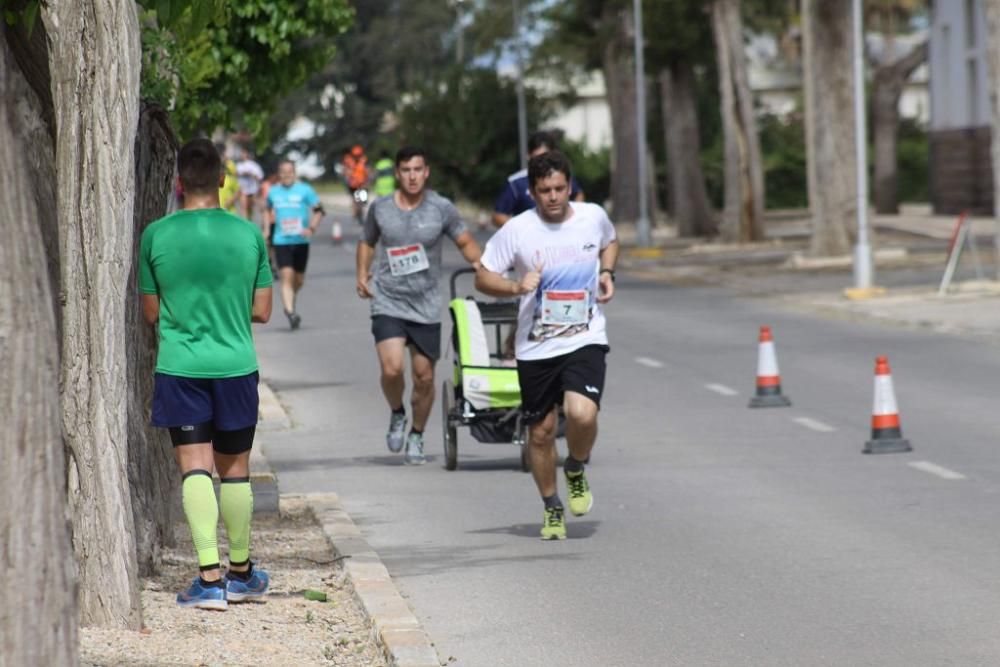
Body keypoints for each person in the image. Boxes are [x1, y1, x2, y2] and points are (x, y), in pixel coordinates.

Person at [139, 138, 273, 609]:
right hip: (236, 366)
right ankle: (242, 574)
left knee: (194, 468)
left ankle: (208, 580)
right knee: (235, 472)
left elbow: (151, 313)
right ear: (221, 178)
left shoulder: (155, 235)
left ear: (179, 181)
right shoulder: (249, 235)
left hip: (181, 367)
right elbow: (263, 310)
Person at [475, 150, 618, 540]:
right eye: (544, 191)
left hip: (584, 337)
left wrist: (607, 272)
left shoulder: (592, 217)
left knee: (583, 414)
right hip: (536, 346)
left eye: (559, 188)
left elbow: (611, 241)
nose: (553, 197)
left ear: (569, 186)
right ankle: (552, 507)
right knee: (540, 433)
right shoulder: (518, 230)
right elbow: (483, 277)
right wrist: (514, 286)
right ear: (533, 193)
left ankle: (574, 465)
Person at [356, 146, 482, 465]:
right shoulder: (381, 208)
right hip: (388, 299)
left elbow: (464, 241)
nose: (412, 176)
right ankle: (397, 412)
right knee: (392, 367)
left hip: (425, 304)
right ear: (398, 173)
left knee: (424, 377)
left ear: (426, 172)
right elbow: (367, 241)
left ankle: (417, 434)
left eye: (418, 170)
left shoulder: (441, 208)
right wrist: (362, 274)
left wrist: (482, 265)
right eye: (406, 170)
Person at [265, 159, 324, 330]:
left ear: (294, 173)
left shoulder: (305, 190)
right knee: (286, 277)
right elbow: (267, 210)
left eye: (289, 171)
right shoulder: (273, 192)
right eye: (282, 172)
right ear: (279, 174)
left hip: (301, 241)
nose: (286, 175)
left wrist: (311, 228)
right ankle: (290, 312)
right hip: (281, 241)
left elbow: (320, 210)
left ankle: (290, 298)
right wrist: (268, 228)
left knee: (298, 280)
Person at [492, 130, 585, 228]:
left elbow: (578, 193)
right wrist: (523, 229)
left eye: (546, 156)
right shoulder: (516, 183)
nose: (542, 161)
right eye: (544, 190)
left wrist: (575, 220)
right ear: (528, 156)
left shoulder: (560, 176)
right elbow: (498, 215)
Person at [342, 144, 370, 223]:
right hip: (353, 186)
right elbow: (345, 172)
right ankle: (356, 214)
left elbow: (367, 171)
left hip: (362, 185)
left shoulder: (364, 160)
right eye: (355, 155)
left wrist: (367, 181)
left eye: (358, 155)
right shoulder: (349, 161)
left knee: (363, 201)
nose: (357, 157)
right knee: (355, 201)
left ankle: (359, 213)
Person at [236, 147, 265, 222]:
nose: (243, 155)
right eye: (242, 153)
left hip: (252, 190)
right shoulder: (239, 165)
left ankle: (251, 222)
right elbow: (235, 175)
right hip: (243, 189)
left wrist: (251, 175)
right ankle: (245, 223)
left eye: (244, 153)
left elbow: (259, 177)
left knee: (251, 209)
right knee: (244, 207)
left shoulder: (254, 165)